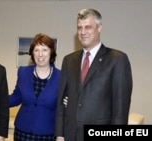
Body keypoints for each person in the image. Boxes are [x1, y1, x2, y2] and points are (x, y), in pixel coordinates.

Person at [55, 8, 133, 141]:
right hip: (70, 135)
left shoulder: (117, 59)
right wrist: (60, 134)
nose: (83, 32)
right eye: (79, 28)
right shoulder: (69, 60)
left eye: (88, 27)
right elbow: (61, 102)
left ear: (99, 27)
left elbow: (120, 108)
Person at [9, 33, 60, 141]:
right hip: (22, 133)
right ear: (32, 53)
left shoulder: (61, 76)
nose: (40, 54)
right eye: (36, 50)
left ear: (51, 52)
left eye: (45, 50)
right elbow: (16, 97)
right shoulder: (23, 72)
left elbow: (62, 107)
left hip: (47, 134)